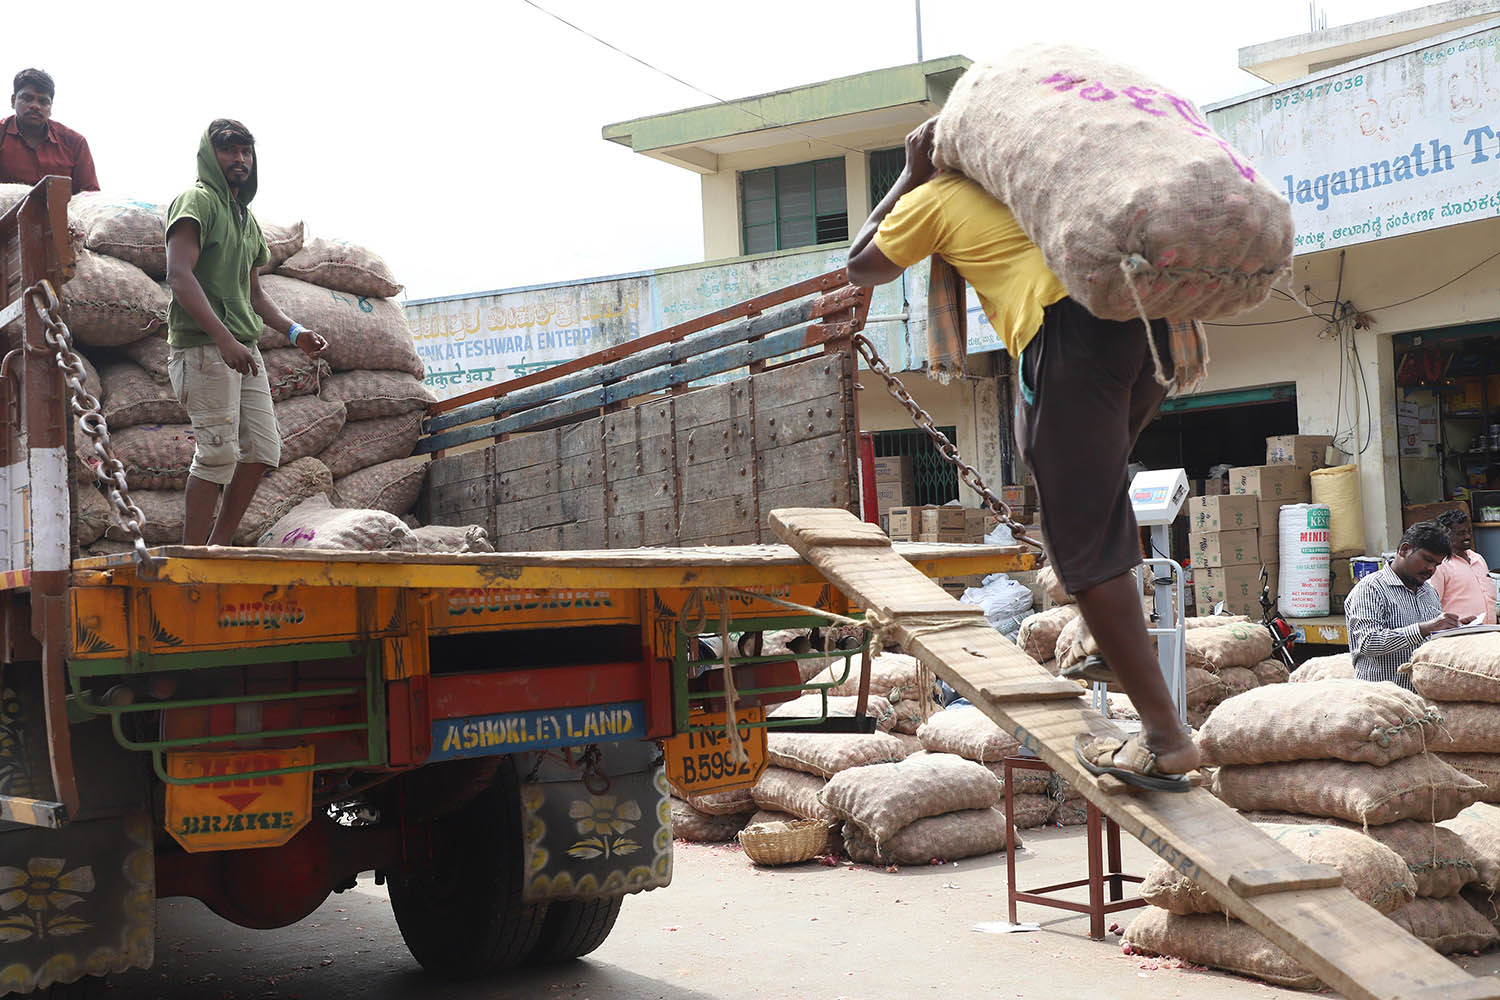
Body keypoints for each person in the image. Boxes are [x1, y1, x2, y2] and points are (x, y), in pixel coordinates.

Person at [846, 117, 1200, 791]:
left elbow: (859, 263)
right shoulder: (1033, 189)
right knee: (1087, 516)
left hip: (1069, 339)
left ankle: (1165, 737)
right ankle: (1104, 642)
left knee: (1083, 542)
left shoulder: (938, 197)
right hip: (1141, 332)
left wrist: (908, 175)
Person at [164, 119, 326, 546]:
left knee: (262, 449)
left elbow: (253, 291)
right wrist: (223, 339)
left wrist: (295, 332)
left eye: (245, 152)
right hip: (204, 349)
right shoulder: (195, 202)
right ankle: (191, 558)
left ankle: (219, 547)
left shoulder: (246, 220)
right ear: (209, 156)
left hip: (242, 348)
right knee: (216, 455)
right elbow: (179, 276)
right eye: (229, 151)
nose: (239, 160)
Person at [1345, 521, 1470, 690]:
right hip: (1380, 700)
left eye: (1437, 565)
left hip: (1420, 698)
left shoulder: (1429, 592)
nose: (1431, 569)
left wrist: (1455, 628)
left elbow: (1431, 639)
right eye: (1427, 559)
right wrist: (1423, 628)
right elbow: (1368, 642)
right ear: (1404, 550)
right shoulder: (1370, 588)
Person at [0, 68, 98, 193]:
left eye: (43, 101)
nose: (35, 105)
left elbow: (89, 195)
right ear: (13, 101)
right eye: (27, 98)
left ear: (51, 107)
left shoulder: (74, 142)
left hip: (62, 212)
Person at [1431, 508, 1497, 625]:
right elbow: (1432, 607)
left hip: (1488, 633)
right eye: (1461, 533)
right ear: (1446, 535)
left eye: (1469, 532)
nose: (1467, 536)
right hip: (1459, 635)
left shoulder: (1478, 559)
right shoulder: (1440, 565)